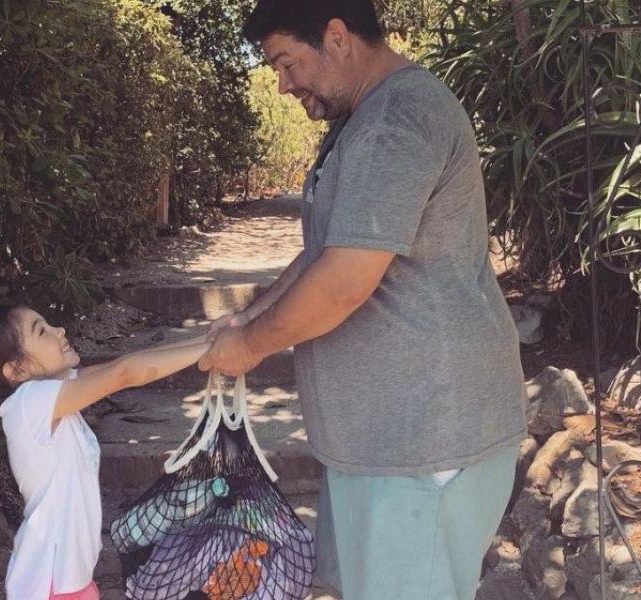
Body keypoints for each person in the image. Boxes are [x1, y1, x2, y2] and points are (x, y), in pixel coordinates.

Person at [199, 1, 528, 598]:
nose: (282, 85)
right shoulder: (369, 119)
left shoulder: (394, 120)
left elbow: (345, 280)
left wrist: (250, 345)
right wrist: (250, 314)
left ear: (336, 37)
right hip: (387, 440)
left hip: (422, 440)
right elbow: (331, 248)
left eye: (287, 63)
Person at [0, 301, 209, 600]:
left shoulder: (52, 393)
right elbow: (125, 374)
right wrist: (213, 349)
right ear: (18, 369)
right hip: (50, 585)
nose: (59, 330)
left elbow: (122, 365)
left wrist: (210, 340)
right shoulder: (29, 403)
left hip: (70, 583)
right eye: (42, 331)